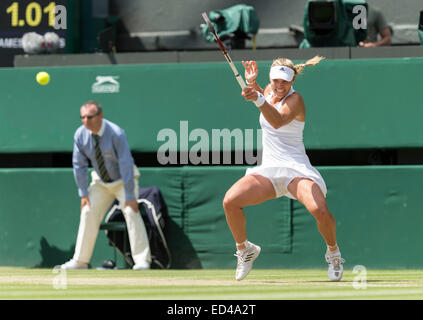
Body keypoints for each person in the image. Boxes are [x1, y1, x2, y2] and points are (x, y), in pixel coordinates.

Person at [222, 57, 344, 281]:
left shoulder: (296, 100)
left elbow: (277, 120)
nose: (279, 86)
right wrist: (254, 86)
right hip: (269, 168)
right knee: (230, 201)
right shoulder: (268, 90)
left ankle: (333, 253)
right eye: (275, 81)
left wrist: (257, 97)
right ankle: (244, 249)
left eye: (284, 82)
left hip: (295, 169)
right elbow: (266, 98)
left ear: (293, 80)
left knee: (320, 210)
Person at [60, 101, 151, 270]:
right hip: (101, 182)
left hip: (124, 180)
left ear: (100, 116)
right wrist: (83, 194)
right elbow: (78, 165)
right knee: (88, 211)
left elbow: (125, 162)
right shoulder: (80, 135)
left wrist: (130, 196)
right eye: (83, 117)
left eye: (90, 117)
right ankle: (80, 261)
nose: (86, 121)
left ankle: (142, 261)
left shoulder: (116, 133)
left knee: (131, 211)